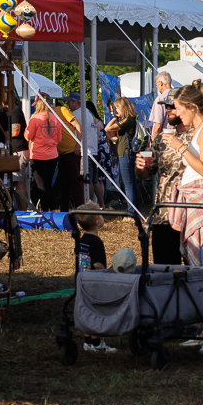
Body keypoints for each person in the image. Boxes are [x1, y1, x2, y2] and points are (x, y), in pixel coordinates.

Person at [162, 81, 203, 353]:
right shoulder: (200, 129)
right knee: (196, 265)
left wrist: (179, 147)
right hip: (192, 200)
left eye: (179, 109)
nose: (177, 114)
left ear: (192, 107)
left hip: (202, 200)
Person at [135, 88, 188, 264]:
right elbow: (144, 174)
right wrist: (140, 166)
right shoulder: (160, 139)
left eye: (172, 106)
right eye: (166, 107)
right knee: (164, 270)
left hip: (192, 212)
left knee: (194, 272)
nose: (168, 110)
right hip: (163, 215)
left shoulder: (200, 135)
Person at [73, 203, 117, 353]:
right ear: (97, 222)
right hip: (94, 282)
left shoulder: (82, 239)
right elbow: (98, 264)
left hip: (82, 280)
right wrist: (109, 272)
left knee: (87, 310)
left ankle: (88, 341)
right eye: (101, 215)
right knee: (96, 312)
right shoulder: (96, 242)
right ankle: (97, 343)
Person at [24, 93, 61, 211]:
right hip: (52, 155)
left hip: (38, 156)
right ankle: (53, 209)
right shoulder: (55, 118)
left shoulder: (35, 118)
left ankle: (45, 212)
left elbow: (28, 136)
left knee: (41, 185)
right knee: (49, 184)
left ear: (38, 104)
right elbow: (59, 139)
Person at [105, 97, 139, 213]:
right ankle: (135, 209)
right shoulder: (127, 120)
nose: (115, 110)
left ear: (123, 107)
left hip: (126, 153)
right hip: (126, 153)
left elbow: (107, 128)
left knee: (128, 184)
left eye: (117, 107)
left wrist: (114, 117)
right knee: (131, 183)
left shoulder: (127, 120)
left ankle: (131, 212)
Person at [55, 98, 83, 211]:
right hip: (60, 153)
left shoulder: (62, 109)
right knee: (63, 183)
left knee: (76, 182)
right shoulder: (45, 115)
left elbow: (78, 126)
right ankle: (64, 210)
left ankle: (80, 210)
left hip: (72, 151)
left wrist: (78, 144)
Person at [5, 87, 31, 209]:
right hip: (18, 150)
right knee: (16, 182)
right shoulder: (15, 110)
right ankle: (21, 209)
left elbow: (15, 130)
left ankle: (23, 210)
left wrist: (3, 132)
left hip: (19, 151)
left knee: (18, 182)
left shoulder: (14, 110)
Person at [88, 100, 115, 209]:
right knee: (99, 179)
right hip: (103, 151)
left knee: (97, 179)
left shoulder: (94, 121)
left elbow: (96, 138)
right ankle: (101, 204)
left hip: (98, 152)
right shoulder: (98, 120)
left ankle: (100, 204)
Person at [149, 71, 173, 140]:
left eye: (156, 84)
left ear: (160, 83)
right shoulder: (178, 96)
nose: (156, 87)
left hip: (164, 139)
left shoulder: (160, 99)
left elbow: (158, 125)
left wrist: (153, 140)